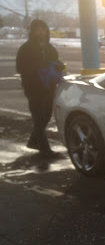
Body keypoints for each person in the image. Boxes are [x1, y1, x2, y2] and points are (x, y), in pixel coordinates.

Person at [16, 19, 63, 158]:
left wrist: (59, 66)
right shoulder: (26, 48)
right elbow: (20, 68)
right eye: (38, 29)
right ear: (33, 31)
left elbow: (56, 62)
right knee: (39, 117)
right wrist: (36, 69)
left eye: (43, 29)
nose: (41, 32)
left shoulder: (50, 48)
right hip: (33, 87)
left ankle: (34, 142)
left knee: (47, 116)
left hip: (49, 87)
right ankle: (44, 149)